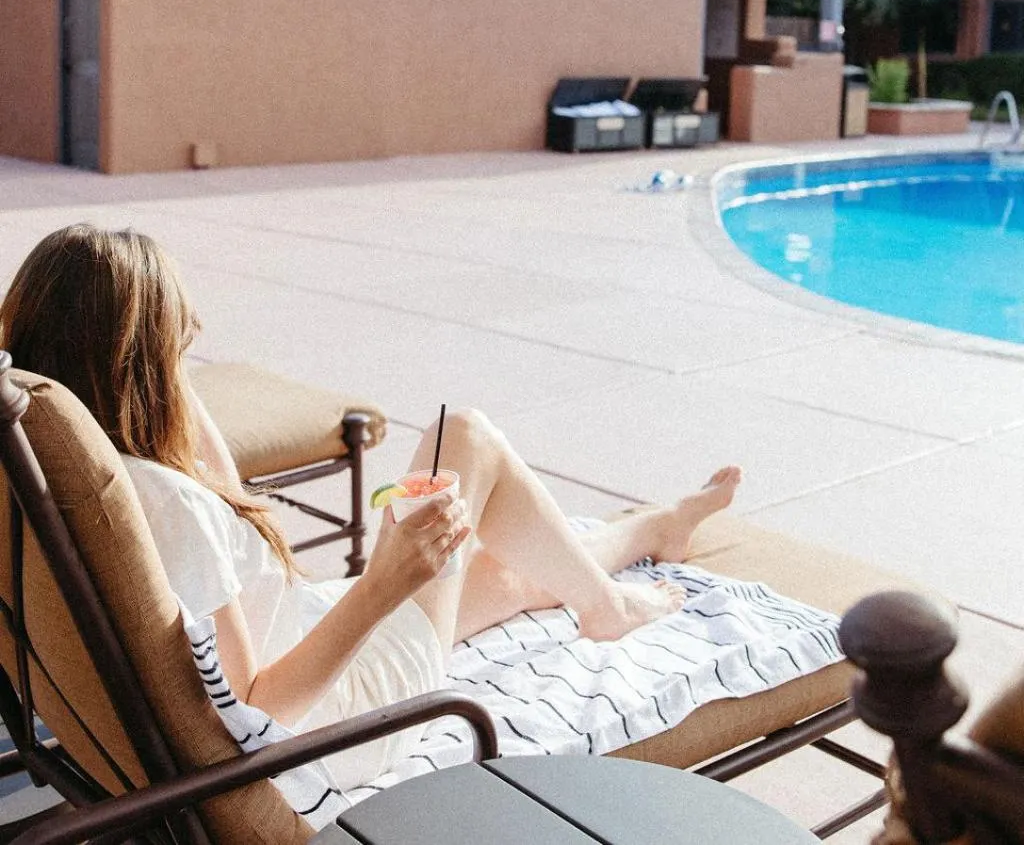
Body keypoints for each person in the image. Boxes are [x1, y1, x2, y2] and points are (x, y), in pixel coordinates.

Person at [0, 224, 742, 789]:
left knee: (508, 575)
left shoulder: (68, 470)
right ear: (139, 365)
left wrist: (160, 366)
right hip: (336, 719)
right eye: (177, 353)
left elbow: (222, 486)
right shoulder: (172, 513)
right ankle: (610, 602)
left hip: (298, 631)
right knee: (466, 437)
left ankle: (654, 529)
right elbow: (261, 708)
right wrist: (384, 582)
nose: (186, 372)